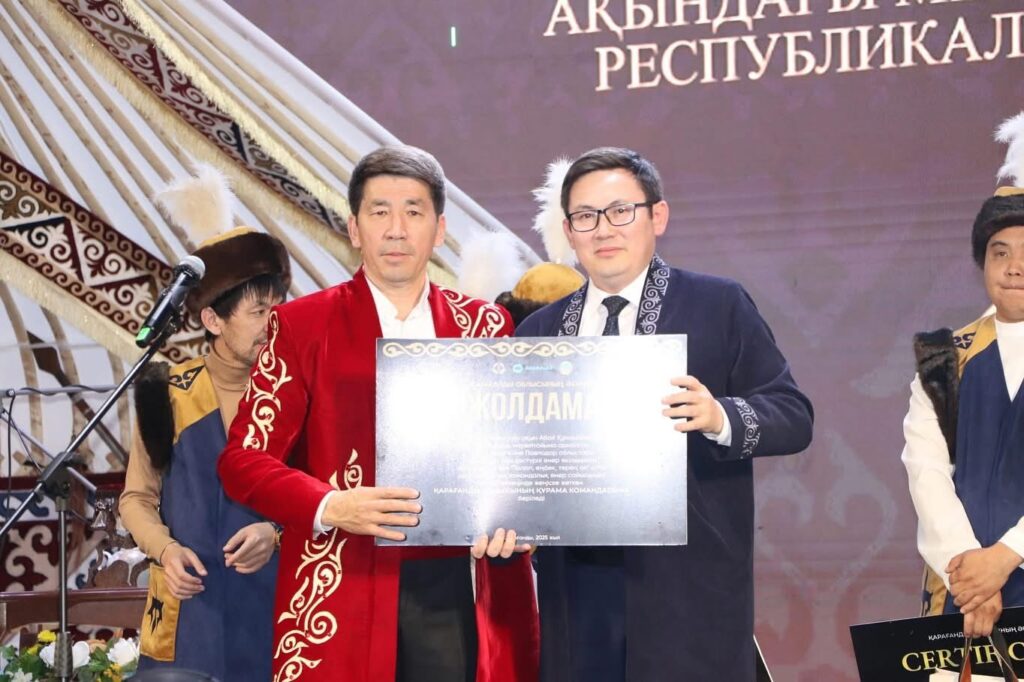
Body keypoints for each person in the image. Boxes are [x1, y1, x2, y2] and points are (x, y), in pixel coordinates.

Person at [217, 145, 539, 682]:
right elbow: (243, 459)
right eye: (379, 212)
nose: (396, 230)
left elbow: (519, 456)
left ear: (439, 230)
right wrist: (331, 504)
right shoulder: (302, 325)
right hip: (346, 575)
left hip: (463, 577)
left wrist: (524, 514)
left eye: (413, 212)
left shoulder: (485, 326)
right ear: (354, 228)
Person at [514, 146, 814, 681]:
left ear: (658, 216)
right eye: (585, 216)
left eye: (620, 211)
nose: (603, 229)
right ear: (568, 231)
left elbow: (793, 414)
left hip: (689, 588)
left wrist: (718, 416)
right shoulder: (538, 332)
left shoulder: (717, 305)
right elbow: (517, 462)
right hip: (576, 593)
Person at [120, 223, 290, 680]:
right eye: (258, 311)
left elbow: (329, 494)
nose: (273, 324)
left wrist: (275, 533)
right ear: (213, 321)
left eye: (279, 309)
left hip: (278, 606)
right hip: (188, 609)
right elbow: (136, 499)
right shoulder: (167, 394)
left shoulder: (296, 391)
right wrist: (165, 551)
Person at [902, 113, 1024, 638]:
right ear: (983, 262)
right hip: (963, 590)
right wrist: (971, 574)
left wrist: (1006, 556)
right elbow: (926, 471)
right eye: (1001, 253)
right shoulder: (944, 358)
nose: (1015, 267)